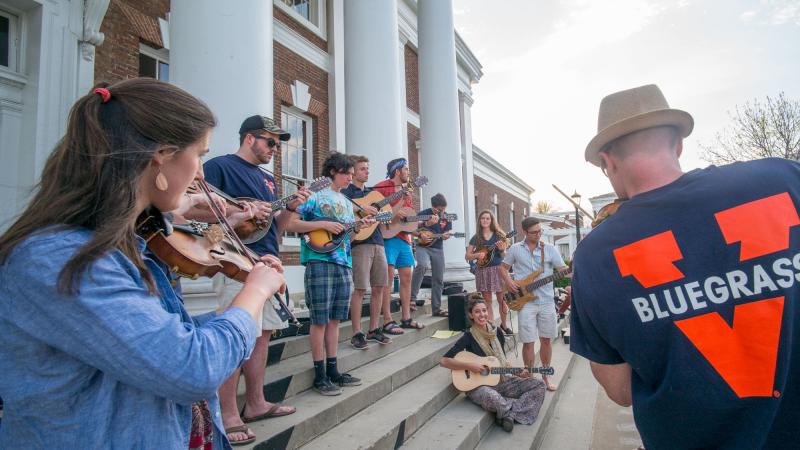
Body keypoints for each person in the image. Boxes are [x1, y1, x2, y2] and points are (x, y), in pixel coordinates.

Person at [0, 78, 286, 449]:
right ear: (162, 156)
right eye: (198, 154)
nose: (201, 173)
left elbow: (154, 338)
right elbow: (192, 367)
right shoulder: (62, 258)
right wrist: (255, 291)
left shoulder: (123, 243)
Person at [570, 84, 800, 448]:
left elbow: (619, 389)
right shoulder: (784, 179)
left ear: (608, 162)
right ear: (678, 145)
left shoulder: (595, 254)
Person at [203, 115, 309, 444]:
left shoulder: (268, 181)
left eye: (278, 144)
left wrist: (290, 209)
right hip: (233, 263)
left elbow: (275, 230)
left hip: (267, 263)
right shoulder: (219, 167)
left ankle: (256, 402)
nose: (275, 149)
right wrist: (242, 215)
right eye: (269, 142)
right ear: (249, 138)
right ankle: (228, 414)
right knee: (233, 335)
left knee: (261, 336)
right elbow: (206, 229)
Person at [286, 152, 373, 396]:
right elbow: (291, 223)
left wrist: (358, 228)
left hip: (343, 263)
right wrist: (321, 225)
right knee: (320, 320)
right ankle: (319, 374)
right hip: (319, 261)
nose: (350, 178)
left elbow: (347, 239)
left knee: (335, 319)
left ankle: (333, 369)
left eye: (352, 175)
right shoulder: (314, 195)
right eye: (347, 173)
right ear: (333, 171)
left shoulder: (347, 202)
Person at [440, 297, 545, 431]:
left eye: (484, 310)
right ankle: (513, 409)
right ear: (471, 315)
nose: (482, 314)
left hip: (501, 380)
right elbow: (444, 361)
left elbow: (501, 362)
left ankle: (508, 414)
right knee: (492, 397)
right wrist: (470, 366)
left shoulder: (497, 332)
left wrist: (518, 371)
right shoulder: (468, 337)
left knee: (539, 385)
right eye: (477, 312)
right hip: (478, 386)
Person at [499, 217, 566, 391]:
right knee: (528, 342)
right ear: (525, 232)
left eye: (540, 231)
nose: (538, 234)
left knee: (546, 340)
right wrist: (509, 282)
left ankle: (545, 377)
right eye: (534, 232)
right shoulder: (515, 249)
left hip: (546, 302)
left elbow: (562, 271)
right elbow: (502, 268)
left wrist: (574, 270)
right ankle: (530, 376)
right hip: (525, 302)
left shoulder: (550, 249)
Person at [374, 158, 435, 331]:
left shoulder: (407, 192)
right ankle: (387, 320)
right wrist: (400, 202)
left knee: (407, 277)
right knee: (386, 279)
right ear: (397, 171)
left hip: (403, 239)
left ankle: (406, 317)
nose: (409, 172)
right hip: (386, 238)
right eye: (406, 169)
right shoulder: (382, 187)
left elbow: (406, 220)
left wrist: (425, 224)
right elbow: (377, 213)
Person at [341, 155, 393, 349]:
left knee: (379, 287)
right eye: (363, 168)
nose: (367, 171)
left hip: (379, 242)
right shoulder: (345, 193)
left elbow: (388, 215)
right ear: (354, 171)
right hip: (359, 243)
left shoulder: (374, 195)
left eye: (367, 168)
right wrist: (362, 211)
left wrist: (382, 215)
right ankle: (356, 333)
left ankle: (373, 329)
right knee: (361, 289)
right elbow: (346, 215)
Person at [466, 210, 511, 333]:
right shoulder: (476, 237)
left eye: (488, 218)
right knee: (488, 302)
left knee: (502, 300)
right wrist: (476, 255)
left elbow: (504, 256)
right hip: (483, 271)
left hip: (498, 270)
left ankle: (504, 325)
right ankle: (491, 328)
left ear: (492, 221)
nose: (485, 220)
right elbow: (467, 255)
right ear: (479, 221)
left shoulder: (499, 236)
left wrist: (502, 250)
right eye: (483, 218)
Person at [410, 193, 453, 317]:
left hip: (437, 248)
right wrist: (420, 234)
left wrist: (446, 236)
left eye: (444, 209)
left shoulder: (446, 217)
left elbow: (447, 233)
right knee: (421, 266)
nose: (443, 211)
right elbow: (412, 229)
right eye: (440, 210)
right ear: (434, 208)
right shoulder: (423, 214)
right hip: (422, 246)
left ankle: (436, 309)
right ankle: (412, 298)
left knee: (438, 278)